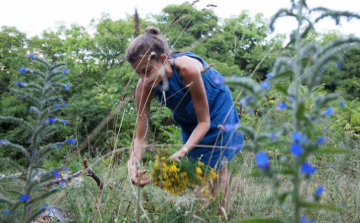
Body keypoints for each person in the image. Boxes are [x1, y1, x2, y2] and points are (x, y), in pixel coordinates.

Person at [126, 26, 243, 209]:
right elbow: (141, 136)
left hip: (216, 108)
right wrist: (133, 164)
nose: (144, 78)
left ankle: (221, 214)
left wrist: (182, 150)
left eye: (147, 71)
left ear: (163, 60)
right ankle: (202, 214)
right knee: (197, 171)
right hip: (189, 118)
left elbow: (204, 122)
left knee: (216, 168)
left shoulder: (187, 69)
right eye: (138, 73)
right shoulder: (144, 87)